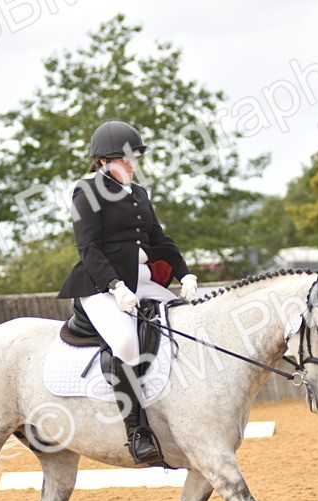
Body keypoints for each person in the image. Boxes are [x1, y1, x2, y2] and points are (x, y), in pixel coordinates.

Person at [57, 120, 199, 464]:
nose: (132, 165)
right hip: (100, 286)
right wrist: (114, 286)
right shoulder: (86, 190)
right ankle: (136, 431)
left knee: (188, 322)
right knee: (125, 343)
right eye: (126, 160)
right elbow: (87, 247)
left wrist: (186, 273)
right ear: (104, 161)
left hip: (142, 280)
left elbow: (159, 240)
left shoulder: (138, 194)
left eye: (133, 159)